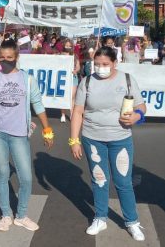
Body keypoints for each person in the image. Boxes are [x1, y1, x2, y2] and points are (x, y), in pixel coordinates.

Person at [0, 39, 54, 232]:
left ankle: (21, 215)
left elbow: (38, 105)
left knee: (26, 177)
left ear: (17, 57)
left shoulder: (27, 80)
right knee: (3, 173)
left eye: (9, 58)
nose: (5, 62)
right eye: (1, 58)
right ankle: (6, 214)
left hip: (19, 134)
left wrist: (47, 130)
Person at [69, 46, 147, 241]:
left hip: (120, 139)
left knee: (123, 182)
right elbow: (77, 112)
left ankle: (132, 221)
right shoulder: (87, 82)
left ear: (115, 63)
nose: (100, 68)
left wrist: (136, 117)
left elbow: (141, 106)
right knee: (99, 180)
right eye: (97, 64)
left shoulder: (127, 80)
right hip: (92, 138)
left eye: (105, 64)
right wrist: (74, 140)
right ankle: (100, 217)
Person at [60, 39, 81, 123]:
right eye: (66, 45)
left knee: (72, 97)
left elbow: (78, 66)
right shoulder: (60, 55)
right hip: (63, 77)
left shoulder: (75, 55)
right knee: (63, 96)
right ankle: (63, 114)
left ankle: (72, 114)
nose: (68, 47)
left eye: (69, 45)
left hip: (73, 77)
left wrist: (76, 71)